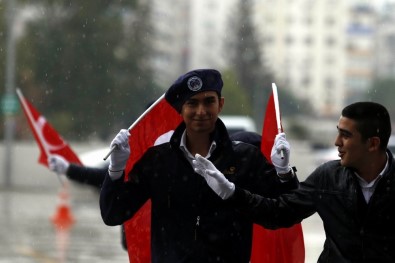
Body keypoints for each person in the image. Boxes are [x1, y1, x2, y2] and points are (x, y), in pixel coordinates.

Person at [99, 68, 298, 263]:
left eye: (209, 101)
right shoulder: (158, 161)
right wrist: (116, 169)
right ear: (181, 109)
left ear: (220, 104)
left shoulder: (245, 158)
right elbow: (113, 213)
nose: (201, 111)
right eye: (192, 103)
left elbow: (286, 213)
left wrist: (284, 174)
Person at [193, 101, 395, 262]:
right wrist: (231, 192)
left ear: (372, 144)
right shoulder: (328, 177)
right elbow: (279, 212)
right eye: (338, 132)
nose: (336, 142)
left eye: (346, 135)